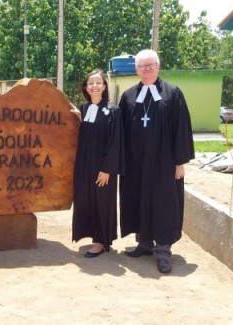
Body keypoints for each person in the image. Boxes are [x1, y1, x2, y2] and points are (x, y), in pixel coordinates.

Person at [118, 49, 195, 274]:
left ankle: (163, 249)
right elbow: (120, 131)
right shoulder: (129, 95)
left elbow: (181, 129)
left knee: (164, 202)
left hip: (164, 162)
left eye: (151, 65)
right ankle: (144, 243)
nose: (147, 69)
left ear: (158, 67)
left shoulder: (173, 94)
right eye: (142, 66)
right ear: (136, 69)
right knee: (138, 198)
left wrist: (179, 162)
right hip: (136, 163)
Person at [72, 70, 124, 258]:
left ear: (104, 86)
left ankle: (101, 241)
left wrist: (107, 169)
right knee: (86, 200)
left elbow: (115, 142)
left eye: (98, 82)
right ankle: (91, 235)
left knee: (102, 202)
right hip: (84, 165)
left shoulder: (113, 111)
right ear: (86, 88)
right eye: (90, 83)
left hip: (102, 167)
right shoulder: (84, 109)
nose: (94, 86)